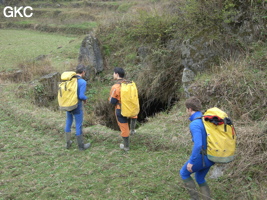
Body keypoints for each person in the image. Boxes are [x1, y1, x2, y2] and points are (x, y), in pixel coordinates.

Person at [180, 97, 214, 200]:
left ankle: (194, 198)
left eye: (186, 109)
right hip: (212, 156)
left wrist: (191, 161)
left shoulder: (195, 124)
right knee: (200, 178)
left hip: (201, 157)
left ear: (190, 109)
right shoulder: (206, 119)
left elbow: (198, 144)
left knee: (184, 173)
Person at [109, 67, 136, 151]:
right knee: (133, 116)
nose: (113, 75)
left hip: (120, 109)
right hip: (131, 107)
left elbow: (113, 101)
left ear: (117, 74)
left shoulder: (115, 87)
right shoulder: (130, 83)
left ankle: (126, 146)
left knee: (124, 127)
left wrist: (110, 99)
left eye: (114, 73)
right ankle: (133, 130)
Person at [64, 64, 90, 151]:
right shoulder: (82, 82)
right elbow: (81, 96)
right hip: (77, 106)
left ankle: (68, 143)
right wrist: (86, 98)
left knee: (68, 122)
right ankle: (81, 146)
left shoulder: (70, 80)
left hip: (68, 105)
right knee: (78, 125)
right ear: (83, 72)